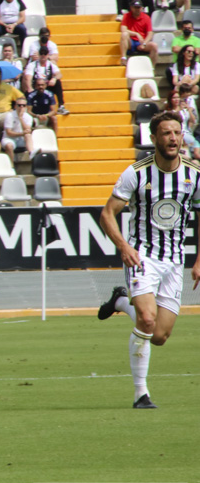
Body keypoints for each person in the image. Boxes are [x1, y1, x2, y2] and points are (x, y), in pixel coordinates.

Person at [97, 111, 200, 408]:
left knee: (159, 336)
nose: (172, 138)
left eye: (176, 132)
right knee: (147, 318)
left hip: (173, 260)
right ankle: (141, 394)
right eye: (166, 133)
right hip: (143, 256)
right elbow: (107, 214)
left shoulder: (193, 174)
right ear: (153, 138)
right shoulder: (136, 172)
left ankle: (120, 301)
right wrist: (123, 247)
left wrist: (198, 260)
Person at [23, 46, 69, 114]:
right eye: (41, 53)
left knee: (58, 83)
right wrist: (30, 88)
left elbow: (59, 74)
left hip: (47, 85)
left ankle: (61, 106)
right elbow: (28, 77)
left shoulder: (51, 64)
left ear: (48, 55)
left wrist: (54, 78)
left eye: (45, 53)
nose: (43, 55)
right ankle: (28, 109)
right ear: (38, 54)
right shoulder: (32, 65)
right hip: (36, 86)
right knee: (27, 90)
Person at [120, 0, 157, 65]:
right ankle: (123, 58)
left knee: (154, 45)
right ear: (131, 8)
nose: (137, 9)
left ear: (142, 8)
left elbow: (150, 33)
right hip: (130, 41)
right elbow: (123, 29)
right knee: (124, 34)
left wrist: (144, 43)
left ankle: (152, 68)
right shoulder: (126, 16)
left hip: (141, 42)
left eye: (138, 7)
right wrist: (136, 34)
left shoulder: (146, 17)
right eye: (135, 7)